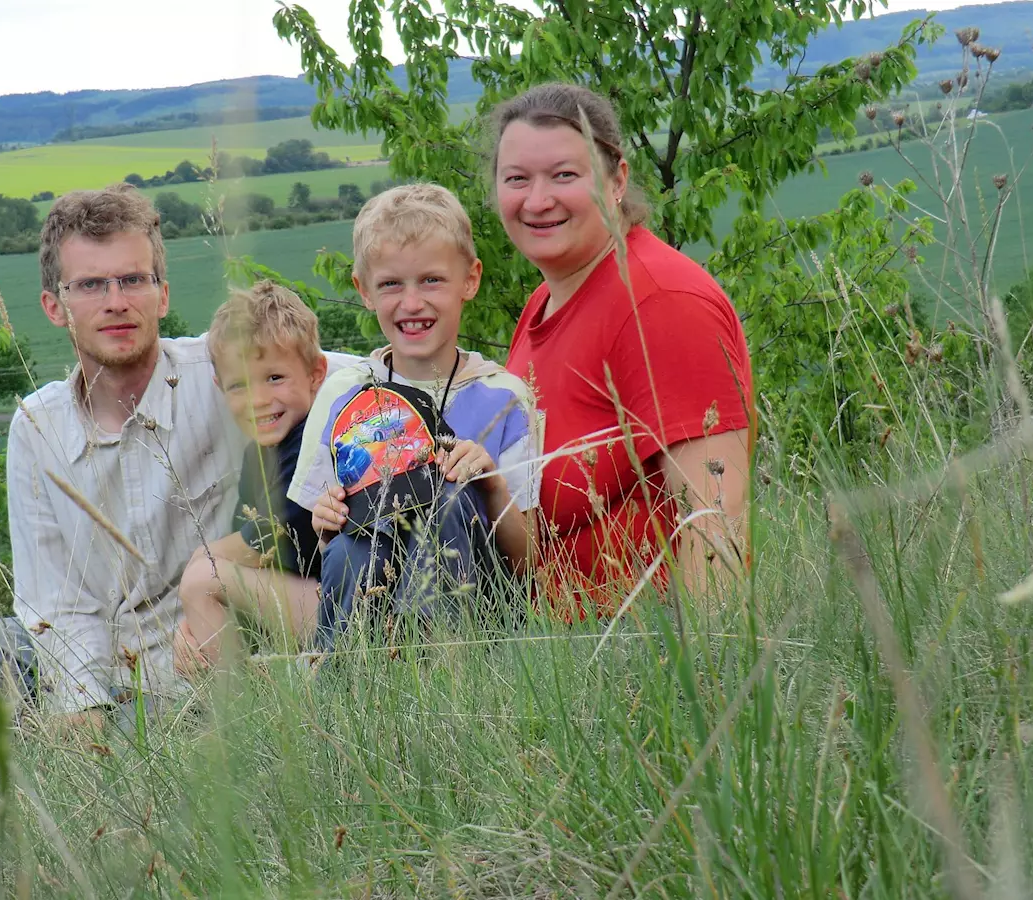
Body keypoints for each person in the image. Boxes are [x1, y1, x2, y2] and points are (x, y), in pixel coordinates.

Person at [0, 184, 351, 732]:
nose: (116, 301)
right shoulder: (37, 428)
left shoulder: (232, 376)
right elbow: (54, 604)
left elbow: (353, 374)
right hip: (88, 658)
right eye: (90, 285)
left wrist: (471, 389)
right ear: (54, 306)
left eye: (133, 279)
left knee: (184, 720)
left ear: (161, 294)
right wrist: (83, 709)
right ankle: (26, 779)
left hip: (201, 658)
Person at [493, 83, 754, 616]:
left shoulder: (659, 302)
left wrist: (702, 685)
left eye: (564, 175)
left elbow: (715, 527)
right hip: (551, 660)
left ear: (617, 180)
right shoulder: (544, 301)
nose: (537, 201)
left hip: (638, 665)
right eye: (517, 179)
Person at [290, 183, 541, 648]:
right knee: (348, 550)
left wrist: (491, 484)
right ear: (363, 290)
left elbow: (529, 562)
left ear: (471, 279)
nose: (411, 303)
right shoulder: (344, 394)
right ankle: (346, 689)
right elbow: (321, 550)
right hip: (370, 605)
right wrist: (325, 525)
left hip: (480, 620)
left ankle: (442, 669)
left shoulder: (505, 398)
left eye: (431, 280)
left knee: (446, 501)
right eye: (390, 284)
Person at [173, 281, 328, 673]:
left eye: (274, 378)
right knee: (206, 584)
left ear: (315, 374)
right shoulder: (257, 456)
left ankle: (242, 711)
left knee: (201, 577)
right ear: (219, 387)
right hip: (303, 607)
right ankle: (250, 698)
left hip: (350, 609)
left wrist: (201, 566)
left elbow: (275, 533)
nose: (258, 399)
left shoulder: (318, 438)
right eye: (239, 384)